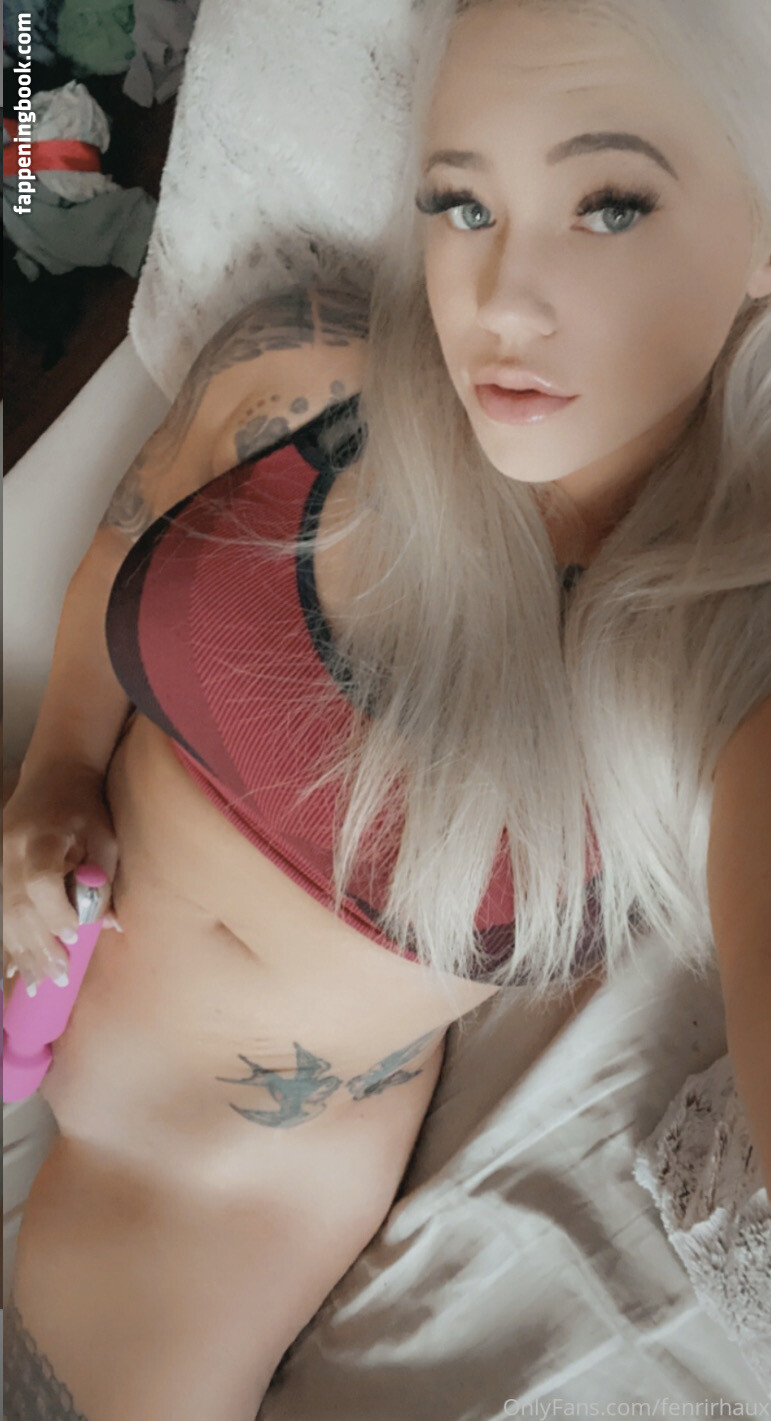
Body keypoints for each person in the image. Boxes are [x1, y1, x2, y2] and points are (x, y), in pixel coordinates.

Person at [4, 0, 771, 1414]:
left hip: (188, 1214)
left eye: (609, 205)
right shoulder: (300, 373)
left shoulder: (721, 656)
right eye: (462, 202)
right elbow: (121, 549)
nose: (501, 300)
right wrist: (50, 774)